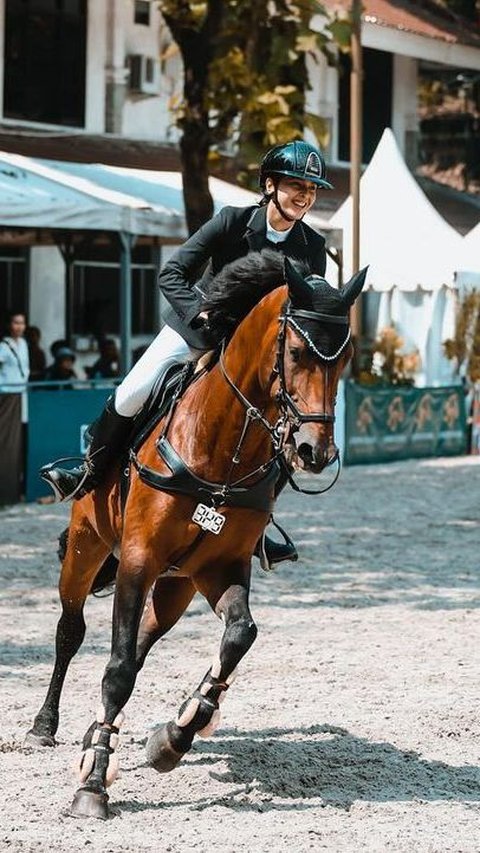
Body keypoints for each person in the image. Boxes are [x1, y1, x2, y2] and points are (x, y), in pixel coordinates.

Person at [41, 140, 333, 566]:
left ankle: (257, 525)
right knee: (133, 391)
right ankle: (87, 474)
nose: (304, 197)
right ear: (269, 185)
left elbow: (302, 311)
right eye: (295, 186)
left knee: (286, 425)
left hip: (255, 355)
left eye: (310, 190)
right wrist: (199, 315)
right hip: (199, 329)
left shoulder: (312, 246)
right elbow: (171, 272)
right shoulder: (232, 222)